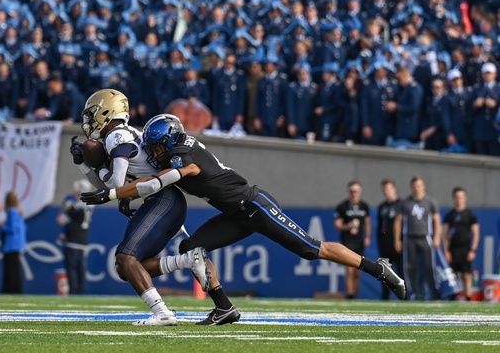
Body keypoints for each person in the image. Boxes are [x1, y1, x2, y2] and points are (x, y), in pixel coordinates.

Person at [83, 114, 407, 303]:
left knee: (310, 248)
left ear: (168, 141)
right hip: (235, 213)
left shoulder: (182, 155)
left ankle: (377, 268)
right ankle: (223, 307)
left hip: (253, 205)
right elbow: (149, 178)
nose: (151, 152)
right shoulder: (175, 148)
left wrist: (111, 192)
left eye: (155, 146)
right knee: (191, 247)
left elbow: (161, 180)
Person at [73, 91, 220, 326]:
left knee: (125, 257)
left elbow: (114, 184)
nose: (90, 122)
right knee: (127, 267)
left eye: (93, 115)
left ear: (106, 112)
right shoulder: (122, 135)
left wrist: (99, 166)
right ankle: (187, 261)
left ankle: (162, 313)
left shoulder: (116, 137)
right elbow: (108, 186)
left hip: (163, 199)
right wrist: (83, 165)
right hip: (165, 200)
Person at [394, 176, 441, 301]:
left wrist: (436, 237)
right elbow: (398, 221)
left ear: (424, 186)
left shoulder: (430, 202)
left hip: (425, 237)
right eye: (414, 186)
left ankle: (435, 293)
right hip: (409, 238)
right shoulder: (406, 202)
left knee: (429, 267)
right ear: (411, 187)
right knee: (410, 267)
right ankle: (414, 293)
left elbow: (437, 221)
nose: (417, 188)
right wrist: (397, 239)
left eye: (419, 185)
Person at [333, 181, 371, 299]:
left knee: (357, 272)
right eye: (352, 191)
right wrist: (347, 226)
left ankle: (354, 294)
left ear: (360, 192)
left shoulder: (364, 206)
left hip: (359, 242)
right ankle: (349, 294)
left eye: (356, 191)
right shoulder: (342, 207)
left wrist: (368, 236)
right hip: (348, 241)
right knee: (349, 270)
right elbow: (337, 224)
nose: (354, 194)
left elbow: (368, 223)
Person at [442, 187, 479, 300]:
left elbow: (476, 233)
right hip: (453, 250)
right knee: (451, 276)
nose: (459, 199)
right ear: (454, 198)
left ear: (465, 198)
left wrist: (473, 250)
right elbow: (444, 235)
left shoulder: (470, 215)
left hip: (465, 249)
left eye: (461, 197)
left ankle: (468, 298)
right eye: (457, 197)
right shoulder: (450, 216)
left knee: (466, 275)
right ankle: (452, 298)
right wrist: (446, 251)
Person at [0, 188, 27, 295]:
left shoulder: (12, 212)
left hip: (11, 245)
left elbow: (12, 228)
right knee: (14, 269)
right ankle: (13, 289)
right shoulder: (18, 211)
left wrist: (0, 226)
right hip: (17, 244)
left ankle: (11, 289)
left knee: (11, 269)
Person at [57, 180, 93, 295]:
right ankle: (81, 291)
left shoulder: (76, 207)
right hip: (83, 240)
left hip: (73, 239)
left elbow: (61, 220)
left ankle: (73, 291)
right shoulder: (89, 205)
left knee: (72, 268)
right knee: (80, 268)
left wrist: (68, 207)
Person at [376, 179, 403, 300]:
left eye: (388, 189)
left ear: (394, 189)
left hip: (398, 243)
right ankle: (385, 296)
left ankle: (404, 295)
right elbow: (380, 226)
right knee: (385, 272)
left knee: (401, 271)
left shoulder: (401, 204)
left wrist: (400, 240)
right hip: (385, 243)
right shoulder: (382, 207)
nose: (386, 192)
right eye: (384, 189)